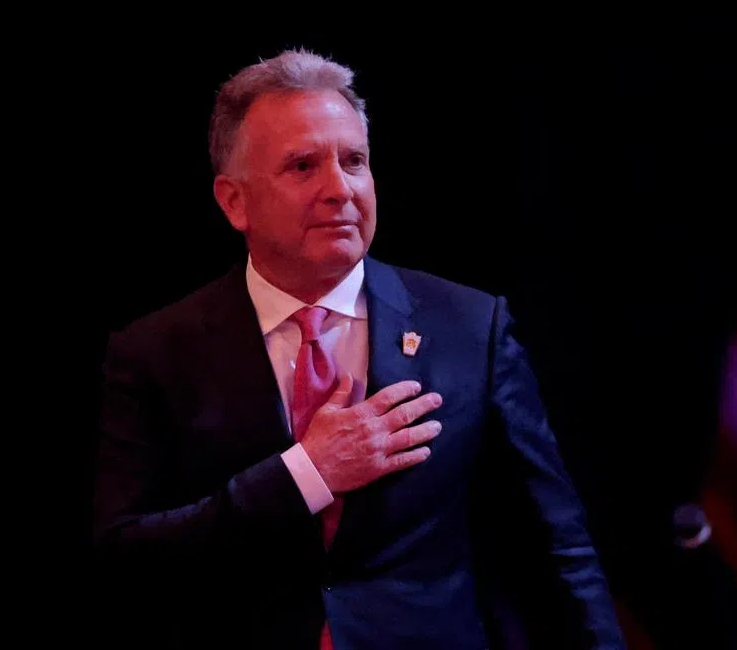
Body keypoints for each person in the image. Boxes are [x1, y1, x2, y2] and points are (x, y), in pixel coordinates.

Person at [91, 48, 627, 649]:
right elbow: (120, 551)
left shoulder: (470, 327)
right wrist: (307, 474)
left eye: (354, 161)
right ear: (233, 201)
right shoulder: (156, 351)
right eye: (302, 166)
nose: (339, 189)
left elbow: (556, 543)